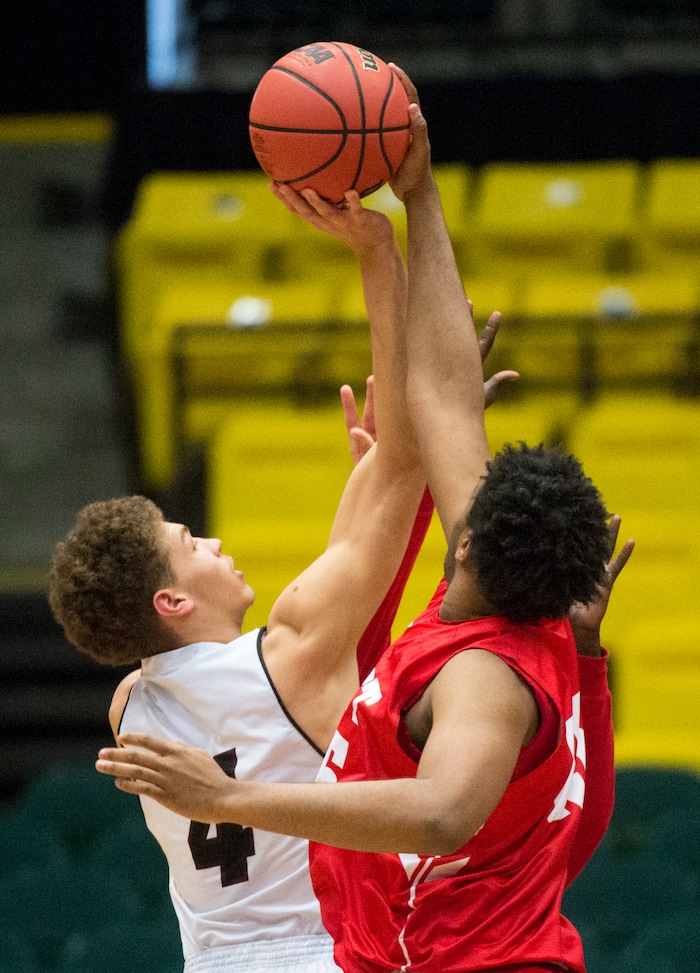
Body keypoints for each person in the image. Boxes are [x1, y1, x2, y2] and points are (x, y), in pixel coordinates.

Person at [94, 68, 634, 973]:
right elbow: (447, 403)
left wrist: (230, 798)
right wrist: (416, 195)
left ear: (471, 536)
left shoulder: (483, 678)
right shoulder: (512, 614)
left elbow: (440, 812)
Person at [50, 186, 513, 973]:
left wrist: (368, 484)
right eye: (190, 541)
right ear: (172, 600)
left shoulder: (132, 705)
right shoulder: (296, 643)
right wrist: (378, 252)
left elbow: (331, 584)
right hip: (324, 956)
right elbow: (406, 459)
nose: (215, 540)